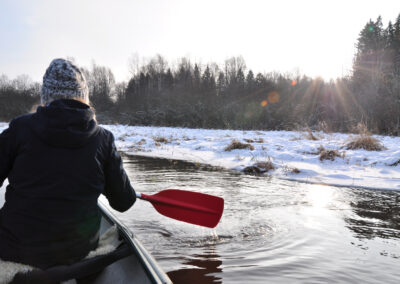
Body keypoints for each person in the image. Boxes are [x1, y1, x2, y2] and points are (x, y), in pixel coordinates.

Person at [0, 58, 136, 269]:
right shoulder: (103, 139)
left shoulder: (19, 128)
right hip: (77, 254)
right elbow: (124, 202)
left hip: (14, 249)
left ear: (46, 97)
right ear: (84, 97)